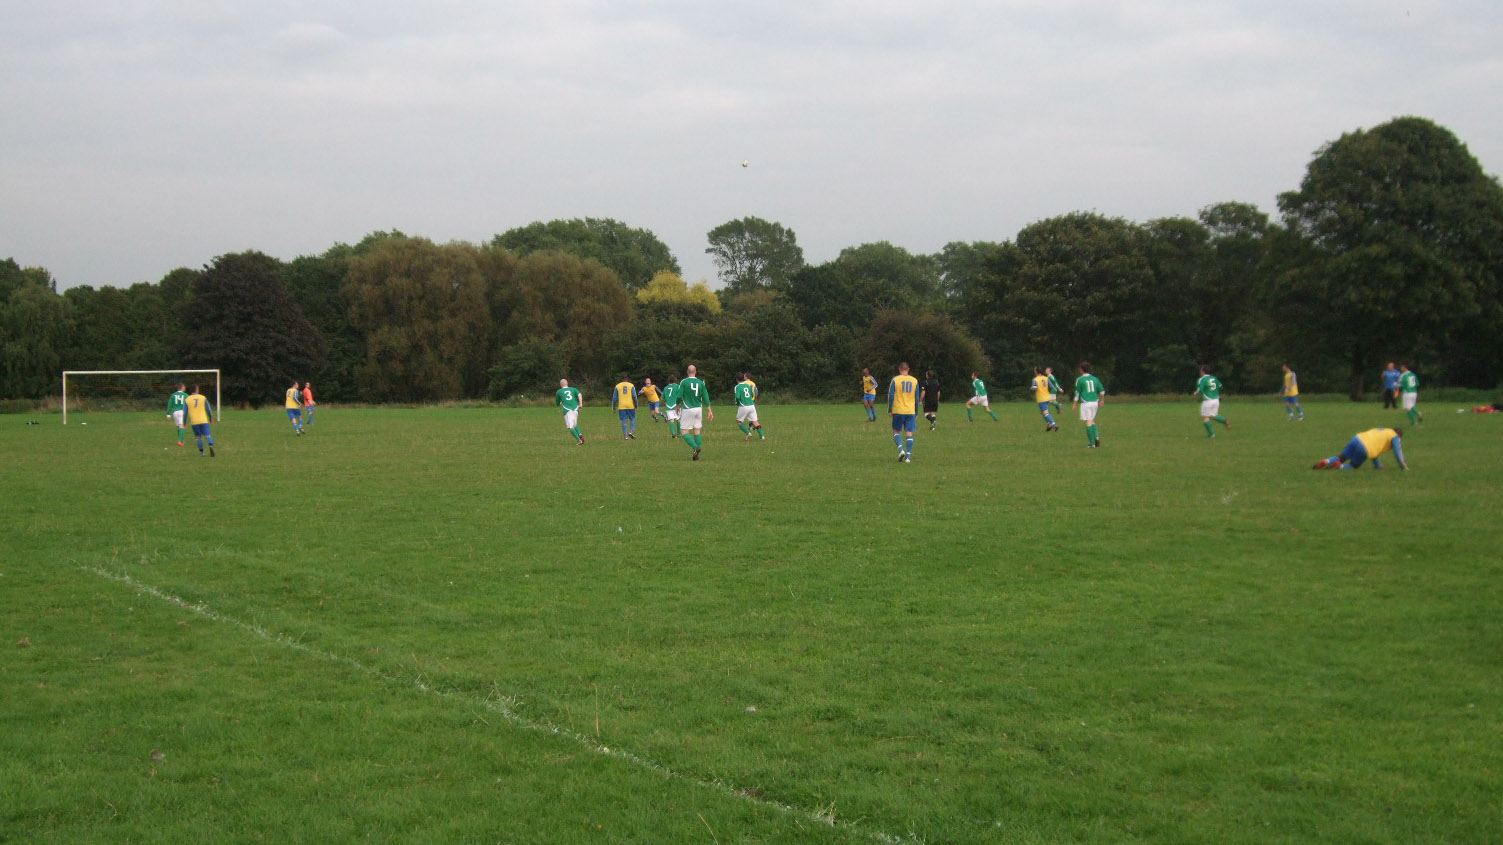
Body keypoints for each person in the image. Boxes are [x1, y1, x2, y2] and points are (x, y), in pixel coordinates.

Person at [1313, 427, 1407, 470]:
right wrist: (1403, 466)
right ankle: (1339, 467)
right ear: (1399, 436)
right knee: (1353, 466)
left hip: (1357, 438)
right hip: (1365, 448)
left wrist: (1378, 466)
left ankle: (1327, 461)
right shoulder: (1395, 437)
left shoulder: (1384, 430)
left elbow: (1376, 451)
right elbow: (1397, 452)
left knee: (1342, 457)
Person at [678, 364, 713, 460]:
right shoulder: (701, 382)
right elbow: (706, 397)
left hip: (688, 409)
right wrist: (709, 410)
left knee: (684, 432)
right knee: (697, 431)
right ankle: (697, 456)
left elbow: (679, 396)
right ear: (695, 372)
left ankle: (695, 447)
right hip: (699, 409)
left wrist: (677, 405)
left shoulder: (684, 382)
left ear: (687, 372)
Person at [889, 362, 920, 462]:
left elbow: (891, 395)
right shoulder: (915, 380)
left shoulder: (895, 380)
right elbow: (917, 398)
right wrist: (917, 412)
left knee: (896, 431)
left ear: (899, 369)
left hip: (898, 410)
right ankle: (908, 457)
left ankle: (901, 450)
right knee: (909, 432)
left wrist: (890, 409)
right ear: (908, 369)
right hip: (910, 411)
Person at [1072, 362, 1105, 448]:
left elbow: (1077, 393)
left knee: (1088, 421)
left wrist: (1075, 404)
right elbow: (1102, 391)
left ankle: (1092, 443)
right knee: (1092, 420)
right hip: (1095, 402)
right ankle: (1096, 437)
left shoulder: (1080, 380)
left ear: (1081, 370)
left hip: (1086, 403)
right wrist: (1102, 400)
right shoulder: (1095, 379)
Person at [1194, 365, 1231, 438]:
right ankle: (1225, 421)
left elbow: (1200, 389)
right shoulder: (1214, 378)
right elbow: (1221, 386)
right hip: (1216, 400)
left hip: (1208, 400)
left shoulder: (1202, 379)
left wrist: (1196, 392)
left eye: (1200, 370)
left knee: (1205, 417)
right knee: (1214, 415)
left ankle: (1211, 434)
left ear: (1202, 371)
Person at [186, 383, 216, 457]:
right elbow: (208, 409)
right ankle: (210, 445)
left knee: (198, 437)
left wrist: (184, 423)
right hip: (203, 420)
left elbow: (185, 413)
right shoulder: (203, 398)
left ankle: (202, 453)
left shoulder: (187, 399)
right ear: (197, 389)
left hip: (194, 422)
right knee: (208, 435)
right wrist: (211, 418)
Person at [734, 373, 765, 440]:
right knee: (755, 422)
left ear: (737, 379)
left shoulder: (737, 387)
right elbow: (751, 394)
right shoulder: (748, 385)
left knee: (739, 422)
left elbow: (737, 397)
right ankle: (762, 436)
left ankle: (748, 433)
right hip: (752, 405)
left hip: (744, 406)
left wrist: (737, 403)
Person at [555, 379, 584, 445]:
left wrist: (560, 402)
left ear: (560, 385)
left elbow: (557, 403)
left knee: (570, 427)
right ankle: (580, 434)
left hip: (568, 410)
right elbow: (579, 394)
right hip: (576, 409)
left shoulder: (559, 392)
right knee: (574, 424)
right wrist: (581, 404)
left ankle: (579, 440)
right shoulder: (573, 389)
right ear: (567, 383)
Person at [1032, 367, 1059, 432]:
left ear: (1036, 371)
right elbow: (1052, 387)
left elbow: (1034, 388)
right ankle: (1049, 424)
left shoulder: (1035, 379)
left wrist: (1031, 388)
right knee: (1042, 412)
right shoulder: (1046, 378)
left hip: (1041, 398)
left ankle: (1054, 425)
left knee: (1046, 413)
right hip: (1047, 397)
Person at [611, 375, 638, 440]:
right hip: (630, 405)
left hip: (621, 406)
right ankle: (631, 432)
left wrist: (614, 407)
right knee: (633, 418)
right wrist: (636, 405)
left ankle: (626, 436)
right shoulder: (631, 385)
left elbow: (614, 398)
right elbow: (634, 396)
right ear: (627, 380)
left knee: (624, 420)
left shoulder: (617, 386)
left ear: (622, 380)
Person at [167, 382, 189, 446]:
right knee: (181, 426)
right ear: (182, 387)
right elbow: (189, 403)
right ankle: (180, 441)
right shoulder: (186, 395)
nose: (185, 387)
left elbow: (170, 404)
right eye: (184, 386)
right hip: (182, 412)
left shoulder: (173, 395)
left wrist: (168, 414)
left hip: (175, 413)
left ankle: (181, 440)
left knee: (179, 426)